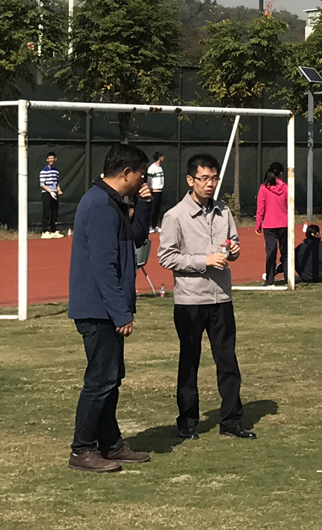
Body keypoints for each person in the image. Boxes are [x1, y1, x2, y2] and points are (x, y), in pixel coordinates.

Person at [67, 143, 153, 473]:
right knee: (100, 380)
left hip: (104, 308)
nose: (142, 180)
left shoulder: (112, 203)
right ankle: (82, 449)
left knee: (111, 378)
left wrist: (145, 204)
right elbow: (103, 266)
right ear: (126, 173)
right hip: (97, 309)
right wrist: (120, 312)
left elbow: (136, 237)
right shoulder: (101, 206)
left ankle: (111, 444)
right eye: (140, 175)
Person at [158, 154, 256, 440]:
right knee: (189, 361)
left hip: (221, 298)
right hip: (190, 300)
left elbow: (232, 244)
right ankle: (188, 421)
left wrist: (233, 251)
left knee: (228, 362)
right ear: (191, 180)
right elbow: (166, 257)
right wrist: (204, 261)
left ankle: (232, 420)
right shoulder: (175, 215)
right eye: (204, 178)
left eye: (214, 178)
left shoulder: (223, 211)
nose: (210, 184)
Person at [256, 162, 289, 287]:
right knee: (285, 252)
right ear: (280, 173)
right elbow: (289, 205)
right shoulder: (286, 188)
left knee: (271, 253)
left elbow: (260, 207)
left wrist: (258, 223)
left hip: (269, 225)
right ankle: (288, 278)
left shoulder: (264, 188)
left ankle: (270, 280)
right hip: (284, 224)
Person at [40, 152, 63, 239]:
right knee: (46, 212)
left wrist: (58, 190)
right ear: (47, 160)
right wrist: (50, 191)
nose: (51, 160)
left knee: (54, 212)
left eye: (52, 158)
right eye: (49, 158)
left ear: (55, 159)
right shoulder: (44, 170)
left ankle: (53, 230)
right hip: (46, 193)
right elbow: (42, 184)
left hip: (54, 193)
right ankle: (45, 231)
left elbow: (56, 182)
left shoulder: (56, 170)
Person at [147, 152, 165, 233]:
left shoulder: (160, 168)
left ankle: (154, 226)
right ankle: (150, 226)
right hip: (154, 192)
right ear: (159, 157)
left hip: (160, 191)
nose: (163, 157)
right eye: (162, 156)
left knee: (157, 209)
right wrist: (149, 189)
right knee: (152, 209)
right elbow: (149, 180)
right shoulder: (152, 168)